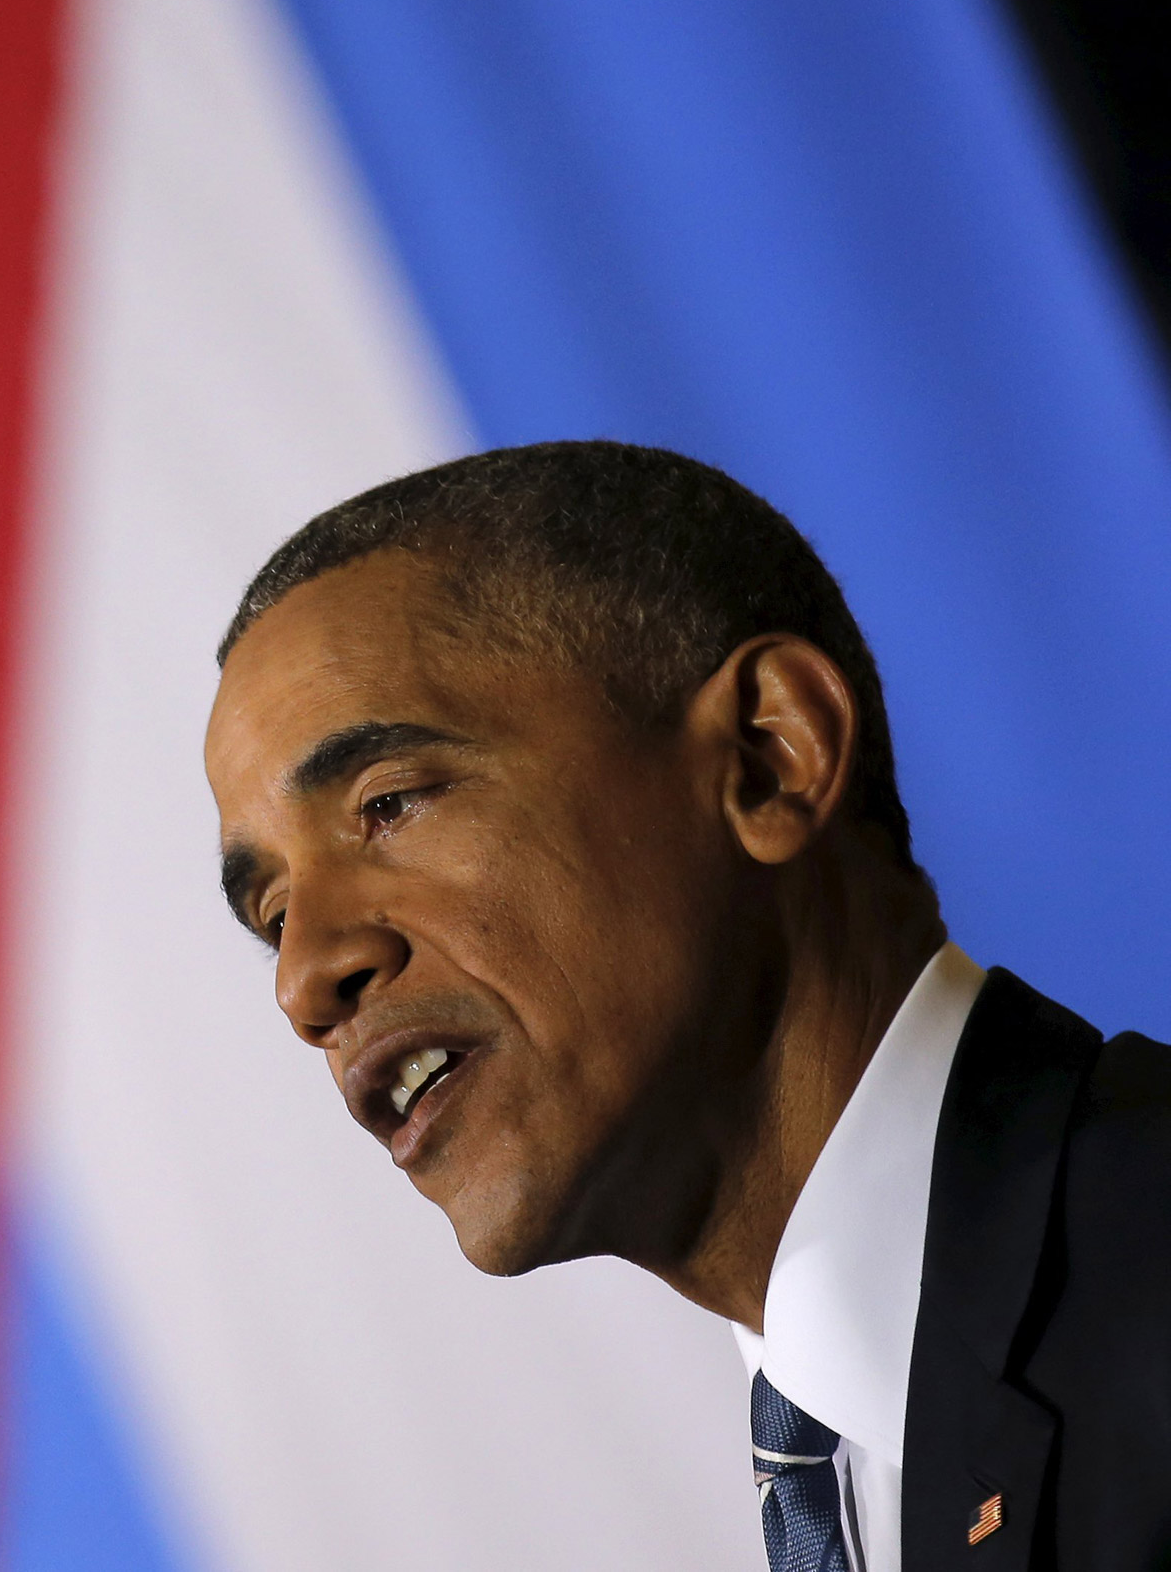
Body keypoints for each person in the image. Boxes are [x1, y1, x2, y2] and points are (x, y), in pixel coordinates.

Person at [202, 442, 1171, 1572]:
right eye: (271, 915)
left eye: (390, 803)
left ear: (768, 757)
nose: (306, 979)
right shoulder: (844, 1469)